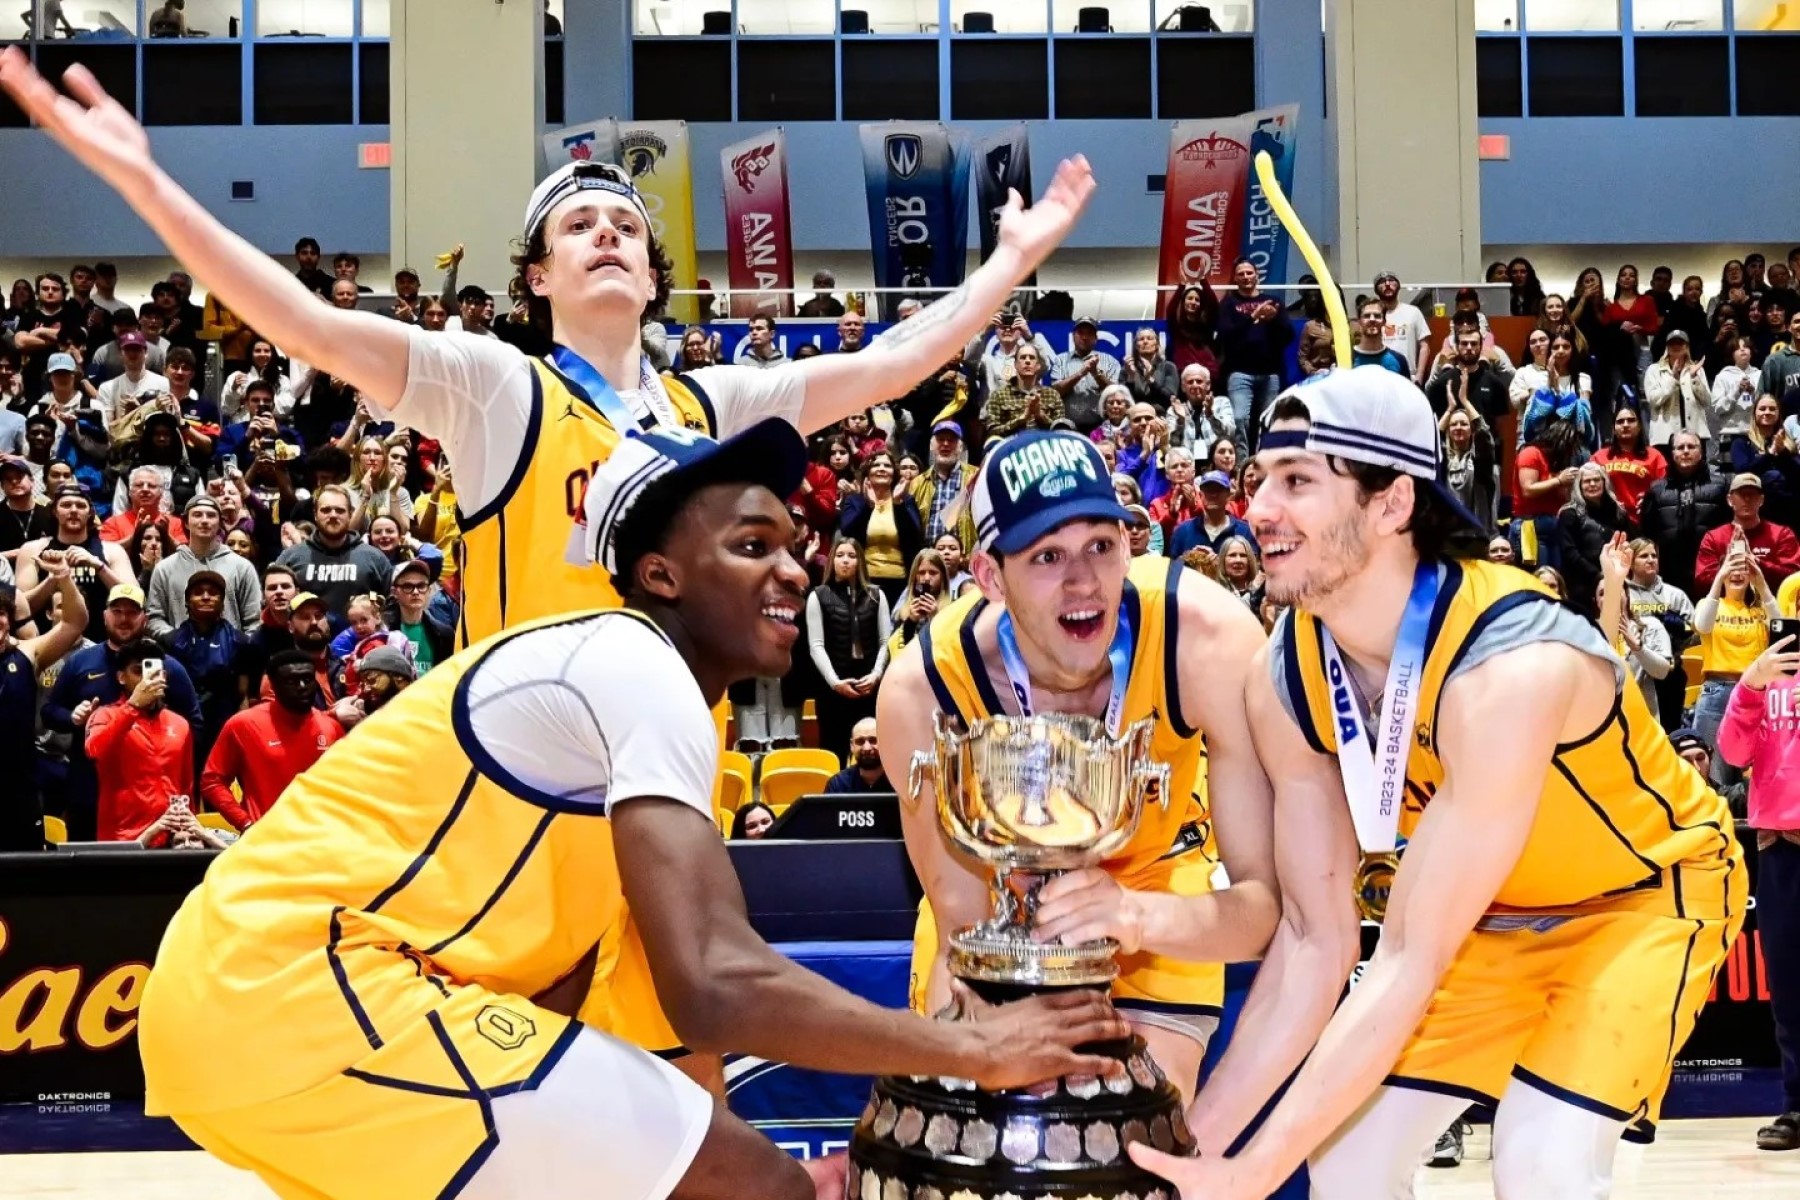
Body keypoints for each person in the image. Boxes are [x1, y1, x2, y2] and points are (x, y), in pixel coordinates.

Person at [134, 418, 1122, 1200]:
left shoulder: (635, 733)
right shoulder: (630, 665)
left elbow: (660, 1031)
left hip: (244, 1005)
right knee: (764, 1188)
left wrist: (709, 1164)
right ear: (660, 576)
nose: (794, 568)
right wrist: (973, 1049)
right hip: (303, 989)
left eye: (794, 542)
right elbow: (715, 983)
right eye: (750, 544)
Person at [0, 49, 1096, 653]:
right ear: (536, 278)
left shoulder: (707, 401)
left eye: (626, 225)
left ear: (655, 272)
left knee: (684, 1060)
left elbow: (894, 361)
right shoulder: (493, 383)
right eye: (579, 227)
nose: (608, 235)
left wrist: (1008, 263)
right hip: (523, 775)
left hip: (661, 766)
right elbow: (308, 325)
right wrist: (149, 189)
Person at [1108, 366, 1742, 1200]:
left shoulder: (1511, 668)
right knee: (1346, 1166)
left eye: (1297, 482)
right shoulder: (1285, 673)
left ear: (1393, 504)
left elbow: (1407, 956)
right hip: (1485, 923)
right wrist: (1188, 1156)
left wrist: (1254, 1172)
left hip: (1642, 900)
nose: (1258, 509)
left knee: (1540, 1164)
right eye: (1261, 480)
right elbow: (1311, 939)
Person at [882, 429, 1279, 1104]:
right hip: (997, 908)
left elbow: (1263, 907)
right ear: (987, 576)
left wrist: (1133, 916)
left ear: (1131, 543)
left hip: (1155, 883)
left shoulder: (1207, 638)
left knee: (1147, 1122)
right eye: (1046, 555)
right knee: (991, 1121)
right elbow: (961, 927)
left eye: (1102, 544)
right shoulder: (922, 691)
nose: (1083, 580)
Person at [1714, 632, 1800, 1151]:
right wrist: (1749, 684)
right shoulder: (1764, 682)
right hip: (1781, 848)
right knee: (1790, 989)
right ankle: (1797, 1105)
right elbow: (1730, 752)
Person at [0, 558, 86, 849]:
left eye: (1, 613)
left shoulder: (26, 654)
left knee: (25, 877)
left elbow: (75, 622)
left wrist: (63, 577)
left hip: (19, 790)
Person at [85, 639, 195, 843]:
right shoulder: (105, 716)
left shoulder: (180, 724)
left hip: (172, 840)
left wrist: (188, 833)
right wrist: (133, 706)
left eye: (155, 671)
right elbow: (94, 751)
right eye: (138, 671)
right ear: (121, 677)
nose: (148, 680)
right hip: (122, 840)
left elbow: (186, 786)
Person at [1641, 431, 1729, 597]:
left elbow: (1730, 528)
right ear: (1672, 453)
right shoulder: (1656, 489)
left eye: (1691, 446)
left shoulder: (1720, 485)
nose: (1686, 451)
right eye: (1680, 447)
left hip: (1711, 568)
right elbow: (1647, 533)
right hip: (1670, 571)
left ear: (1701, 451)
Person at [823, 718, 892, 794]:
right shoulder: (837, 784)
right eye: (860, 741)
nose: (867, 748)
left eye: (873, 740)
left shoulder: (900, 784)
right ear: (852, 746)